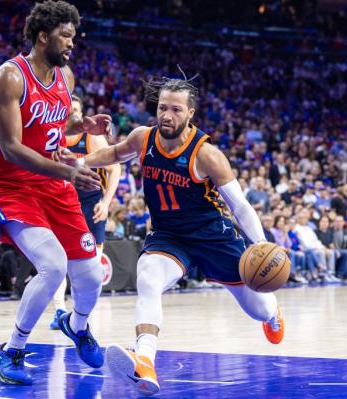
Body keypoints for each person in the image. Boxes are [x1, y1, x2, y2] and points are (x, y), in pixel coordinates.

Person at [62, 77, 284, 395]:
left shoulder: (207, 155)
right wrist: (81, 160)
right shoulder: (143, 138)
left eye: (175, 109)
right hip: (169, 235)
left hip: (213, 237)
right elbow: (114, 154)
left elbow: (241, 206)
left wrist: (261, 244)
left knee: (258, 309)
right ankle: (145, 362)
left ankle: (273, 313)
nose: (167, 115)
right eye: (162, 107)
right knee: (148, 280)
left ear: (190, 113)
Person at [0, 0, 112, 385]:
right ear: (43, 36)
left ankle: (78, 324)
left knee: (89, 276)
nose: (72, 43)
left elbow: (55, 127)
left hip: (52, 184)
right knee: (53, 266)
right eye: (66, 36)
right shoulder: (9, 77)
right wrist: (69, 173)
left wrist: (82, 124)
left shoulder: (65, 77)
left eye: (73, 36)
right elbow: (12, 148)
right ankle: (11, 352)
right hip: (12, 185)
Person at [49, 95, 121, 329]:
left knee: (91, 263)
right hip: (61, 202)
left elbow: (115, 168)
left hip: (90, 203)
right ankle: (59, 310)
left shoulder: (91, 137)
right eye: (70, 110)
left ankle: (82, 313)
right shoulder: (53, 137)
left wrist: (106, 203)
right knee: (58, 260)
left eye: (78, 110)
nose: (75, 114)